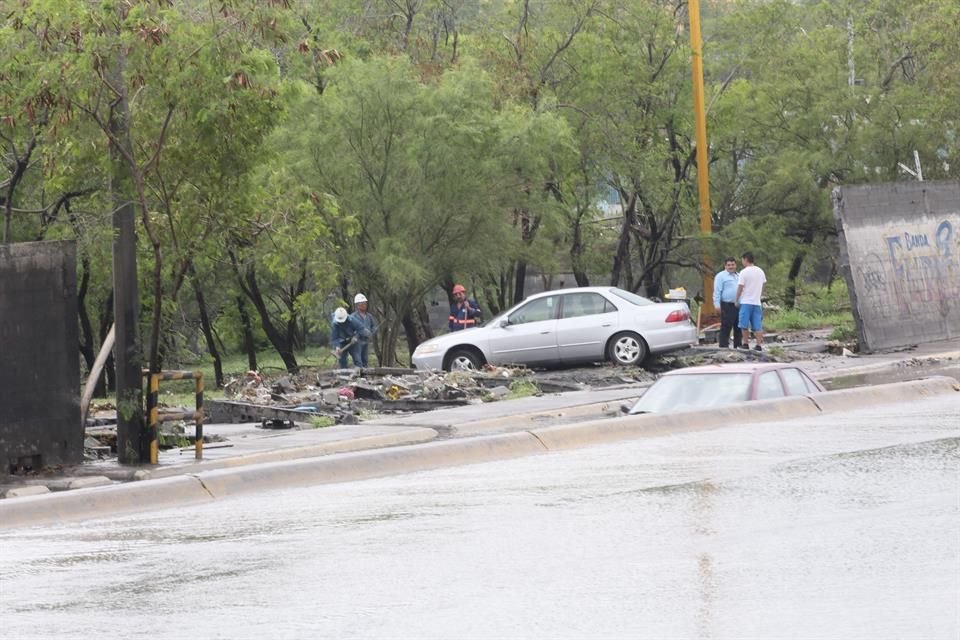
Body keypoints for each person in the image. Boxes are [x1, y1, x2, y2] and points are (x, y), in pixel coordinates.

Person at [735, 252, 767, 351]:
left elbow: (740, 286)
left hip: (746, 302)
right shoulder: (760, 271)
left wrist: (736, 299)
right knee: (757, 325)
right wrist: (759, 295)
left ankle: (746, 343)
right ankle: (758, 345)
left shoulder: (744, 272)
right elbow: (763, 284)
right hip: (756, 302)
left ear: (745, 259)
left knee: (744, 324)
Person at [712, 257, 742, 349]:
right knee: (726, 326)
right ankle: (724, 347)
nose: (731, 267)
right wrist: (717, 305)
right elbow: (717, 291)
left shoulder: (739, 275)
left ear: (735, 265)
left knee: (739, 326)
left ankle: (738, 346)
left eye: (732, 264)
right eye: (728, 265)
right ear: (725, 266)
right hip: (727, 305)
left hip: (739, 305)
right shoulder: (721, 276)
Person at [348, 293, 376, 368]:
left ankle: (365, 376)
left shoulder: (369, 316)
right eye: (362, 303)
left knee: (365, 360)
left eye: (365, 303)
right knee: (358, 360)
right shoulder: (352, 317)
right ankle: (359, 376)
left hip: (366, 340)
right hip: (357, 341)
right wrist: (352, 337)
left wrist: (372, 334)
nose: (364, 305)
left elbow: (373, 326)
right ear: (357, 305)